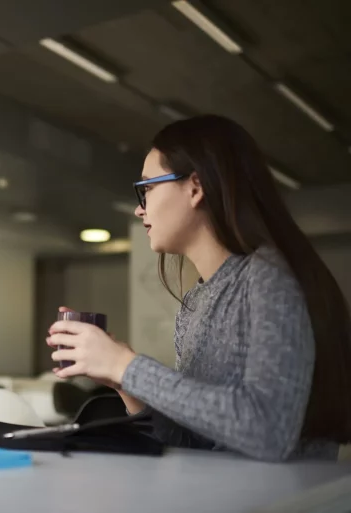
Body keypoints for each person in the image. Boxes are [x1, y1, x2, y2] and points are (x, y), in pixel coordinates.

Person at [48, 114, 351, 461]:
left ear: (195, 187)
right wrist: (124, 384)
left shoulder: (267, 276)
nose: (138, 208)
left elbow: (269, 431)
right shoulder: (194, 302)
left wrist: (126, 366)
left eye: (147, 188)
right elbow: (189, 440)